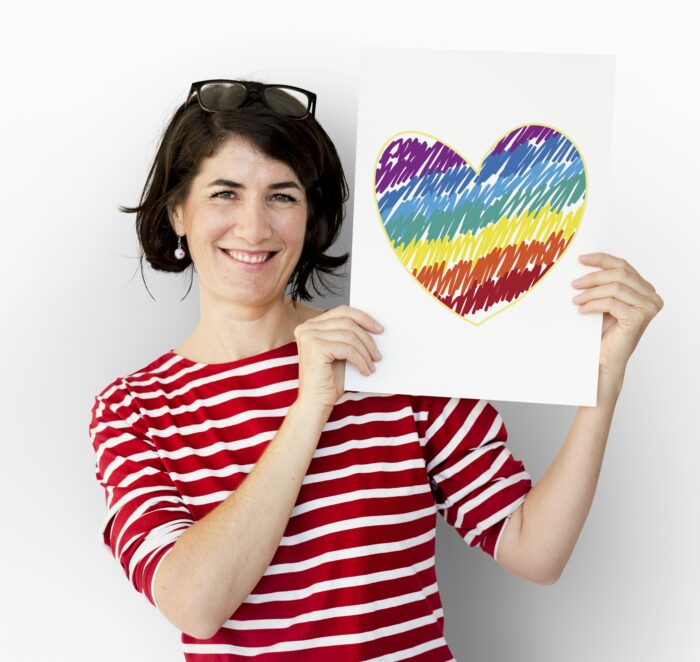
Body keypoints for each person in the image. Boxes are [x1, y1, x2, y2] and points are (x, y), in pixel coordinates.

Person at [89, 79, 663, 660]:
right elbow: (195, 605)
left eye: (282, 196)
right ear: (177, 213)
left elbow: (535, 551)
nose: (254, 227)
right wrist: (309, 406)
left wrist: (602, 378)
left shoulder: (397, 353)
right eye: (225, 193)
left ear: (311, 217)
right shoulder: (133, 409)